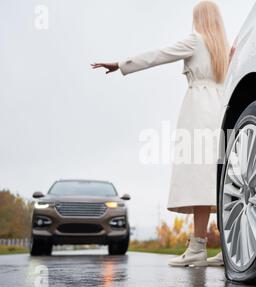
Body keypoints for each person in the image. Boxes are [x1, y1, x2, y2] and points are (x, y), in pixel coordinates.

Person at [91, 1, 228, 267]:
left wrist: (120, 64)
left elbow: (159, 54)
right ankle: (226, 250)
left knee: (199, 179)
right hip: (221, 110)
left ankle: (197, 248)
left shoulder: (196, 40)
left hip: (199, 110)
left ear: (199, 19)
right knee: (218, 181)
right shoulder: (223, 48)